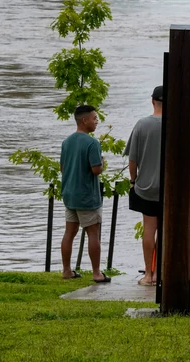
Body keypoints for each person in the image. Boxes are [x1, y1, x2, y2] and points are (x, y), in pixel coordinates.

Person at [60, 105, 110, 283]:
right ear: (84, 120)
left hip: (69, 194)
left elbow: (62, 168)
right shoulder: (92, 143)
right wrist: (103, 164)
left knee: (69, 233)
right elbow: (96, 170)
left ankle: (66, 270)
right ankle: (97, 273)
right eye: (94, 118)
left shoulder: (66, 142)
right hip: (87, 197)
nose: (97, 121)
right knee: (93, 233)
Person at [125, 86, 163, 286]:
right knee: (166, 231)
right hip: (169, 189)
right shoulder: (175, 124)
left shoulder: (141, 125)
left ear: (152, 101)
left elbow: (133, 159)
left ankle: (149, 274)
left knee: (149, 229)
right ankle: (161, 272)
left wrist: (133, 180)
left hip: (146, 188)